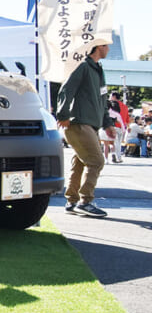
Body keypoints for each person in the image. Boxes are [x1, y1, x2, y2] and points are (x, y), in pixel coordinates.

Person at [55, 37, 114, 218]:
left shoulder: (98, 70)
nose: (108, 49)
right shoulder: (84, 67)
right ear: (97, 47)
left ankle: (72, 201)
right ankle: (85, 202)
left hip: (90, 125)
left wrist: (107, 124)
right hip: (78, 123)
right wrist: (63, 114)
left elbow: (103, 101)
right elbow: (67, 89)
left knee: (80, 162)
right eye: (106, 46)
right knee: (96, 161)